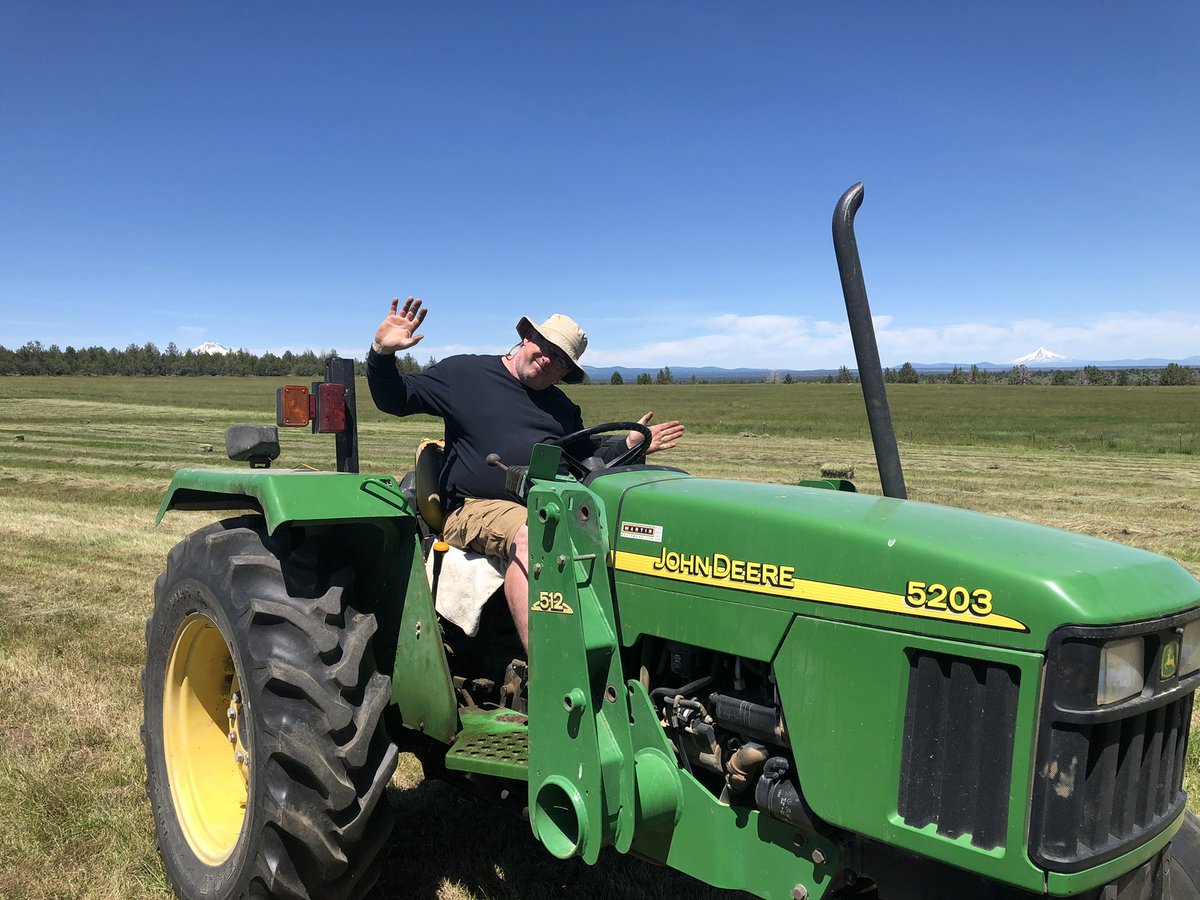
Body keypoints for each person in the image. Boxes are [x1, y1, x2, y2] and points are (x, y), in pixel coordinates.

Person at [367, 296, 685, 651]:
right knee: (532, 534)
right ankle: (551, 672)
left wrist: (630, 443)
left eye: (562, 360)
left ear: (567, 372)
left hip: (549, 504)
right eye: (547, 346)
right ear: (527, 336)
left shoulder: (562, 407)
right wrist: (382, 354)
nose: (550, 360)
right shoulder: (465, 375)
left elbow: (587, 459)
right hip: (474, 508)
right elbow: (395, 399)